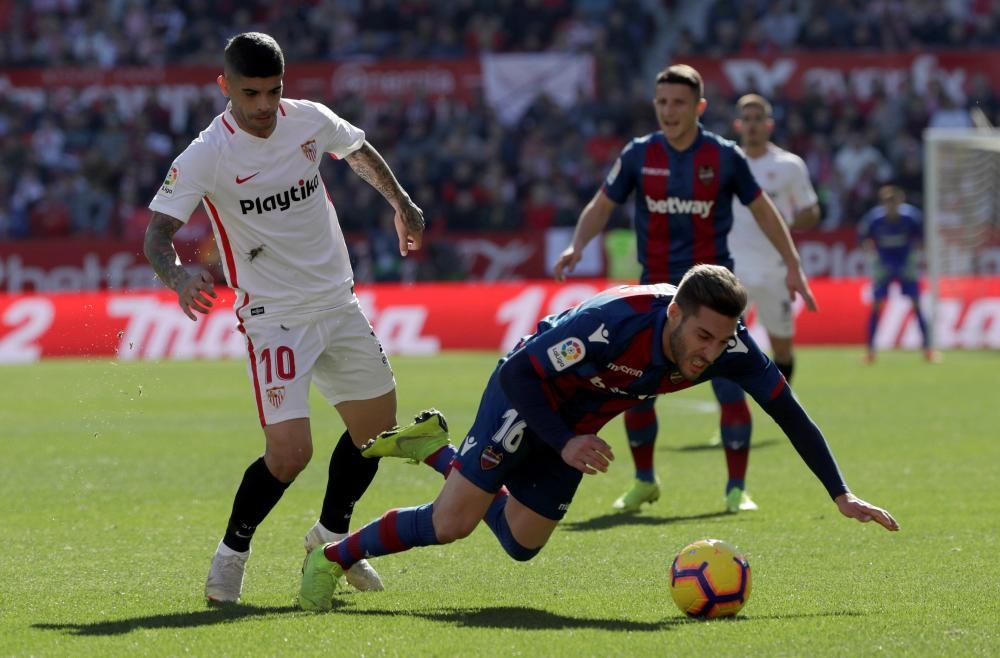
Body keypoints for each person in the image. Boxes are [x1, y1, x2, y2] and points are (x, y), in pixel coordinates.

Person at [298, 264, 899, 612]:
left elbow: (789, 412)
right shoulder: (617, 323)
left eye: (723, 340)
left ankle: (435, 450)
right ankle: (331, 559)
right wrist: (562, 443)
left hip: (579, 424)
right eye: (704, 338)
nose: (710, 354)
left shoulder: (727, 348)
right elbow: (519, 373)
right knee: (451, 524)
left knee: (522, 544)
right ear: (674, 315)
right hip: (526, 397)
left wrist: (839, 493)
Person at [144, 32, 451, 604]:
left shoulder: (308, 120)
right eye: (250, 93)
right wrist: (179, 274)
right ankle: (231, 555)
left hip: (338, 301)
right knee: (290, 455)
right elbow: (157, 234)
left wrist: (401, 203)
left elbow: (357, 150)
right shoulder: (208, 153)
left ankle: (330, 544)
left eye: (273, 91)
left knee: (376, 435)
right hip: (274, 314)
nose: (263, 106)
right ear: (225, 87)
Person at [553, 64, 817, 515]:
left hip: (713, 293)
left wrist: (793, 264)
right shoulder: (638, 154)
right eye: (661, 102)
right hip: (655, 296)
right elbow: (602, 205)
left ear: (699, 107)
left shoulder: (724, 157)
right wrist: (578, 243)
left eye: (678, 103)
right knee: (635, 387)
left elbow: (766, 212)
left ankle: (737, 490)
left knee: (730, 385)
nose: (668, 111)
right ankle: (644, 481)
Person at [709, 95, 821, 448]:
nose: (753, 124)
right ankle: (733, 418)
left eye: (759, 118)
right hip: (733, 272)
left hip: (774, 270)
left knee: (782, 350)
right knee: (718, 344)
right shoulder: (725, 162)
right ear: (738, 125)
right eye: (747, 118)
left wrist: (779, 221)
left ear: (769, 124)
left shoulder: (789, 166)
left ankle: (779, 410)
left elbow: (812, 211)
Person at [858, 185, 938, 363]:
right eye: (887, 202)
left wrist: (914, 258)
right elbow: (863, 238)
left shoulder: (911, 218)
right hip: (884, 267)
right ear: (883, 203)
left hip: (905, 266)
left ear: (900, 202)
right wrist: (873, 258)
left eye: (894, 202)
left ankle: (928, 350)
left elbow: (922, 238)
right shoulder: (874, 219)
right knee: (877, 305)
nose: (890, 206)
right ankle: (870, 351)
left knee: (917, 305)